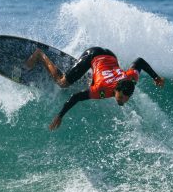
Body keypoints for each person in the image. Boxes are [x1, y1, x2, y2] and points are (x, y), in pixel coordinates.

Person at [25, 46, 165, 130]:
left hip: (110, 55)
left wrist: (156, 77)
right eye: (120, 97)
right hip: (92, 55)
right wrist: (60, 115)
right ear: (115, 90)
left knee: (90, 81)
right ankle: (40, 55)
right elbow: (76, 97)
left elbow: (139, 61)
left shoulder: (131, 78)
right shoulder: (101, 90)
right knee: (62, 83)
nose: (121, 101)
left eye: (125, 99)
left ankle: (87, 74)